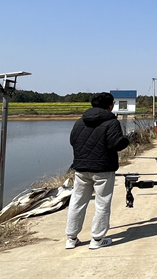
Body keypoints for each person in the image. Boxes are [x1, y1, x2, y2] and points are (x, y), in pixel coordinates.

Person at [65, 92, 129, 250]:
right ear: (110, 106)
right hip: (103, 169)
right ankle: (97, 239)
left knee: (77, 202)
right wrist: (127, 140)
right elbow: (115, 144)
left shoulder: (80, 122)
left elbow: (73, 141)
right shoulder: (112, 122)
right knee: (102, 203)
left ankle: (71, 239)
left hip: (81, 168)